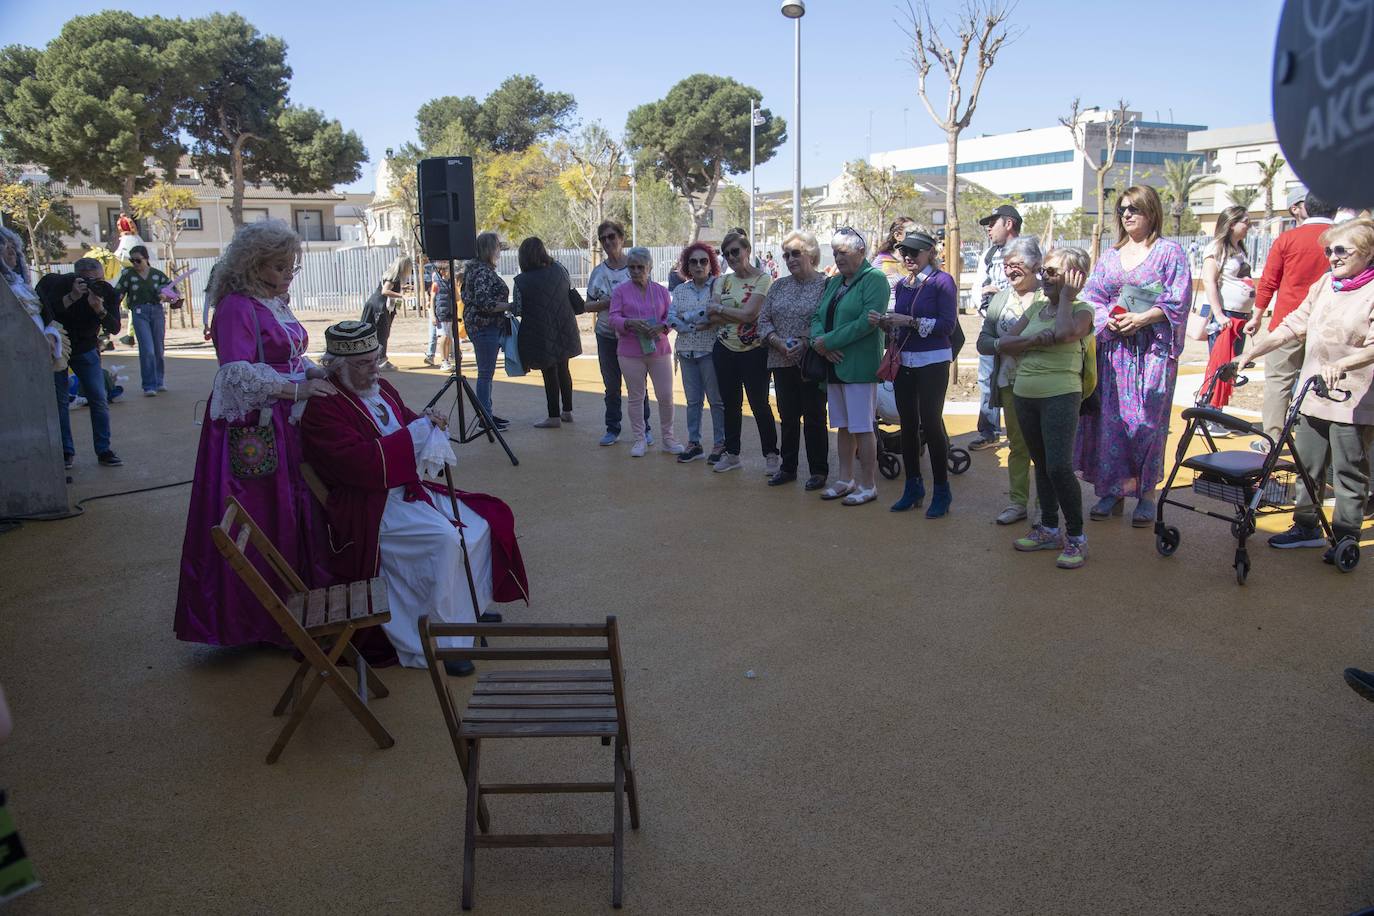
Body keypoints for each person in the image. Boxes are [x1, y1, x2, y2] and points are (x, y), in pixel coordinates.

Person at [300, 320, 529, 674]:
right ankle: (439, 641)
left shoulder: (382, 387)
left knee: (482, 523)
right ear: (337, 366)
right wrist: (416, 434)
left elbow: (407, 422)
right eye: (363, 363)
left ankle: (464, 613)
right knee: (445, 540)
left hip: (403, 489)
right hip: (369, 508)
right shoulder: (324, 408)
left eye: (375, 358)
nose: (374, 368)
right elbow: (359, 465)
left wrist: (427, 421)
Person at [174, 220, 338, 648]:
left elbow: (288, 355)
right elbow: (235, 374)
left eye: (291, 267)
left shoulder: (271, 301)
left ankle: (293, 606)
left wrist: (315, 372)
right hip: (254, 430)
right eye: (279, 266)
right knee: (263, 514)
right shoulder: (236, 306)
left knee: (290, 509)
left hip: (285, 422)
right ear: (254, 264)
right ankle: (254, 621)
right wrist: (298, 387)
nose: (287, 274)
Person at [1238, 219, 1374, 557]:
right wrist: (1259, 347)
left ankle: (1345, 536)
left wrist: (1344, 364)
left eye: (1342, 250)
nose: (1333, 257)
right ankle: (1306, 525)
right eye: (1329, 250)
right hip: (1314, 394)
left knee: (1348, 471)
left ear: (1368, 252)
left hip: (1354, 398)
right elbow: (1296, 322)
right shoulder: (1326, 283)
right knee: (1308, 464)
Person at [1075, 185, 1193, 528]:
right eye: (1123, 209)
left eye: (1135, 209)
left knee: (1146, 424)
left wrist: (1144, 317)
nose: (1127, 215)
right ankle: (1111, 489)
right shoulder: (1110, 256)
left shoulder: (1169, 253)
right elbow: (1093, 296)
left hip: (1152, 354)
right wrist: (1108, 318)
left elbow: (1179, 300)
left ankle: (1145, 495)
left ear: (1151, 212)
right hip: (1113, 351)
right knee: (1110, 423)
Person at [997, 248, 1095, 569]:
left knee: (1059, 467)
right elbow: (1005, 343)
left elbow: (1066, 333)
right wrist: (1038, 340)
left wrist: (1067, 297)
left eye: (1053, 273)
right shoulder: (1037, 306)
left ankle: (1076, 537)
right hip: (1025, 393)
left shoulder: (1082, 310)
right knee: (1041, 463)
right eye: (1044, 272)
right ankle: (1049, 528)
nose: (1044, 278)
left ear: (1075, 277)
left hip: (1060, 395)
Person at [872, 230, 958, 517]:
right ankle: (913, 486)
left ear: (930, 253)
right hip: (905, 361)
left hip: (933, 361)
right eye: (904, 251)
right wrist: (887, 324)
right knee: (908, 424)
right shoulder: (904, 284)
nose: (908, 256)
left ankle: (942, 491)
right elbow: (902, 325)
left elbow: (947, 326)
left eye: (915, 251)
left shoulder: (942, 281)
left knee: (931, 424)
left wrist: (907, 321)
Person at [1247, 190, 1339, 451]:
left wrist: (1256, 315)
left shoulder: (1288, 239)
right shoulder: (1345, 239)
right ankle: (1321, 444)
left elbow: (1269, 280)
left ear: (1305, 208)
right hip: (1328, 326)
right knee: (1325, 382)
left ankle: (1272, 439)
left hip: (1287, 323)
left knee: (1279, 382)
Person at [811, 227, 889, 505]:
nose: (837, 257)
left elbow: (867, 324)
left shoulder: (875, 279)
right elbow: (817, 316)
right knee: (843, 426)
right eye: (834, 253)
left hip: (858, 366)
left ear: (860, 252)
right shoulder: (834, 282)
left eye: (843, 252)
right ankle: (845, 479)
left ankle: (868, 484)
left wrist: (827, 342)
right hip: (834, 366)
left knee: (862, 426)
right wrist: (819, 341)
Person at [976, 236, 1045, 525]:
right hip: (1010, 383)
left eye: (1016, 265)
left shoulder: (1050, 296)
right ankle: (1018, 502)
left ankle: (1046, 508)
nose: (1009, 271)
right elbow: (983, 341)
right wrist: (1001, 345)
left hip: (1045, 384)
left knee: (1044, 449)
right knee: (1018, 445)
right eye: (1006, 266)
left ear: (1036, 265)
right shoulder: (1001, 299)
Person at [758, 230, 830, 488]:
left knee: (814, 417)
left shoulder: (826, 285)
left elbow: (829, 321)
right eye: (786, 254)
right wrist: (777, 342)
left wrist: (804, 341)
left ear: (811, 254)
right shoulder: (778, 286)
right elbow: (763, 320)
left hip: (811, 361)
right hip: (781, 360)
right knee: (787, 417)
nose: (789, 259)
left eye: (795, 253)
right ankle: (788, 468)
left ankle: (819, 471)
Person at [35, 258, 123, 469]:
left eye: (98, 279)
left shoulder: (106, 291)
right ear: (75, 276)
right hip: (60, 348)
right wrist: (72, 297)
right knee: (60, 402)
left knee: (99, 399)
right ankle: (66, 452)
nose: (93, 283)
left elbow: (115, 327)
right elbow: (45, 314)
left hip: (86, 348)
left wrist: (99, 308)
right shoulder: (61, 284)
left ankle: (103, 450)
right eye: (86, 280)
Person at [708, 229, 778, 474]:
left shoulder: (763, 279)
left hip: (754, 351)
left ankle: (771, 454)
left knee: (759, 403)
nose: (732, 257)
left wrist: (722, 310)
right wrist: (727, 312)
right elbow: (711, 313)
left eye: (736, 251)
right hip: (724, 349)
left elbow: (751, 314)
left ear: (747, 250)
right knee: (731, 404)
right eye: (727, 254)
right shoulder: (721, 280)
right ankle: (732, 453)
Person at [609, 247, 681, 457]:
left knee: (666, 396)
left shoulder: (660, 290)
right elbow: (613, 318)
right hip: (630, 352)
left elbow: (671, 317)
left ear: (649, 267)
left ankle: (668, 438)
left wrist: (662, 327)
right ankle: (639, 439)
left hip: (659, 349)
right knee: (636, 397)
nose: (636, 271)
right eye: (631, 267)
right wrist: (630, 323)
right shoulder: (620, 291)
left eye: (640, 267)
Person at [586, 220, 650, 446]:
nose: (608, 242)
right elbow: (587, 305)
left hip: (632, 337)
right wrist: (608, 302)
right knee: (611, 386)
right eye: (603, 238)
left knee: (638, 385)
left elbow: (647, 295)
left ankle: (645, 429)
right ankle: (613, 428)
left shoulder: (634, 266)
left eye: (612, 236)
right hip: (606, 335)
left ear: (622, 238)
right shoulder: (598, 272)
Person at [513, 236, 582, 428]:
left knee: (549, 371)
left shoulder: (521, 281)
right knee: (564, 369)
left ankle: (553, 417)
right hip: (564, 326)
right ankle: (567, 411)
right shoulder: (560, 269)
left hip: (540, 331)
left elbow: (518, 309)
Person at [667, 242, 726, 464]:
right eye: (694, 261)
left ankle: (720, 443)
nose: (699, 265)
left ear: (711, 264)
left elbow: (710, 315)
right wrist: (693, 322)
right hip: (685, 352)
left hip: (710, 351)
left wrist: (686, 319)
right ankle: (694, 443)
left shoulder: (718, 287)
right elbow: (670, 317)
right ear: (687, 266)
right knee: (693, 401)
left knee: (716, 401)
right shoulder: (680, 289)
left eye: (704, 261)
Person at [970, 205, 1023, 450]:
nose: (988, 228)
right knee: (986, 379)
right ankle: (989, 431)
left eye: (993, 223)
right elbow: (977, 289)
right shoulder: (988, 254)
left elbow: (1038, 289)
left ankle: (1022, 434)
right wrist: (985, 305)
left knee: (1019, 381)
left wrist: (1003, 295)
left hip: (1021, 331)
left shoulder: (1030, 251)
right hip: (991, 327)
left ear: (1009, 223)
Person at [1198, 206, 1255, 426]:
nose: (1248, 226)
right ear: (1232, 223)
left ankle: (1217, 410)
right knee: (1220, 364)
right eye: (1245, 222)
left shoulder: (1239, 249)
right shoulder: (1217, 248)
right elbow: (1209, 281)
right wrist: (1219, 314)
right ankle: (1208, 411)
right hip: (1225, 317)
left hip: (1240, 316)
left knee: (1231, 366)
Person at [461, 232, 511, 431]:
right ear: (490, 249)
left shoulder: (477, 270)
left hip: (482, 326)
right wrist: (508, 306)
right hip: (484, 326)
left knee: (486, 373)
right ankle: (485, 417)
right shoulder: (482, 272)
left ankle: (486, 413)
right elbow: (485, 304)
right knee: (485, 373)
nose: (499, 250)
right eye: (497, 246)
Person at [114, 245, 172, 395]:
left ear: (146, 259)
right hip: (139, 313)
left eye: (138, 260)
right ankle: (149, 385)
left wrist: (166, 295)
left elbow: (173, 290)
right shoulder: (128, 275)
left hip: (157, 311)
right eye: (132, 260)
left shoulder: (157, 275)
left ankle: (159, 381)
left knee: (158, 349)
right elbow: (118, 293)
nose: (135, 264)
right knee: (147, 349)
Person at [363, 256, 410, 371]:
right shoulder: (393, 277)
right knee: (382, 333)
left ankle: (377, 360)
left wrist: (402, 289)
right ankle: (381, 361)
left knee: (380, 333)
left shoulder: (394, 277)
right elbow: (385, 291)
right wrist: (401, 295)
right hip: (379, 306)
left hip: (381, 306)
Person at [871, 216, 919, 300]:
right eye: (911, 233)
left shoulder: (919, 260)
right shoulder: (882, 261)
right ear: (897, 236)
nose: (915, 237)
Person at [425, 262, 459, 372]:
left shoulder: (451, 282)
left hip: (450, 313)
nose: (447, 272)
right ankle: (443, 360)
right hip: (441, 314)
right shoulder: (436, 284)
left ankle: (447, 360)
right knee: (444, 337)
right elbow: (432, 299)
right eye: (445, 270)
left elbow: (457, 298)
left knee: (449, 338)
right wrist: (433, 315)